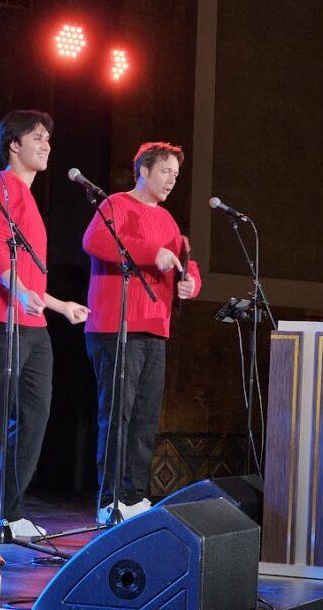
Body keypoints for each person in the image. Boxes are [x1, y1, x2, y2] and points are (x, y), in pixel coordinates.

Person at [0, 110, 90, 539]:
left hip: (31, 323)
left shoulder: (27, 197)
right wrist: (19, 291)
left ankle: (10, 510)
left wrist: (59, 305)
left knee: (34, 415)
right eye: (37, 137)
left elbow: (31, 278)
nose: (46, 144)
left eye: (48, 137)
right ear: (14, 144)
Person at [82, 141, 201, 523]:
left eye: (176, 175)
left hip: (155, 328)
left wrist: (191, 282)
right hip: (117, 326)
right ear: (144, 171)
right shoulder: (116, 204)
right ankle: (111, 499)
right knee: (118, 414)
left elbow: (186, 262)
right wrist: (151, 252)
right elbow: (95, 241)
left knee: (146, 417)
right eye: (165, 172)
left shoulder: (168, 220)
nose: (172, 180)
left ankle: (133, 495)